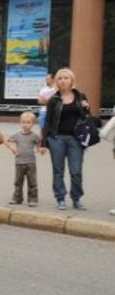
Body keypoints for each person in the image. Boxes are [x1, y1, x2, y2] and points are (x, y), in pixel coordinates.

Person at [42, 68, 91, 211]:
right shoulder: (53, 100)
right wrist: (44, 141)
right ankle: (60, 198)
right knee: (58, 170)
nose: (63, 81)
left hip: (76, 139)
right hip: (57, 138)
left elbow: (87, 118)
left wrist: (86, 108)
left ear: (72, 81)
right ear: (56, 81)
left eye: (66, 78)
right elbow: (48, 122)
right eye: (60, 78)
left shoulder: (80, 97)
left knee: (76, 171)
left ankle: (76, 198)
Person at [5, 111, 46, 207]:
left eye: (28, 122)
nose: (25, 124)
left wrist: (41, 150)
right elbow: (6, 141)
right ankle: (17, 198)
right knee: (18, 182)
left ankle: (32, 199)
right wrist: (12, 148)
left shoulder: (35, 136)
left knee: (32, 182)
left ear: (32, 123)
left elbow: (39, 147)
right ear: (20, 123)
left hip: (31, 162)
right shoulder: (17, 135)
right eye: (23, 122)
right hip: (19, 162)